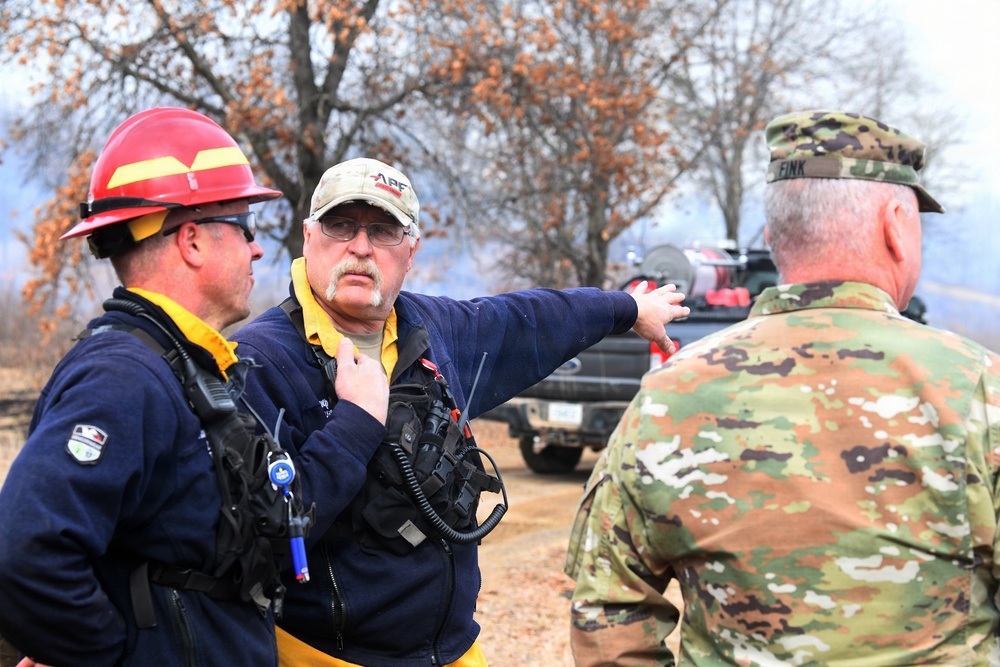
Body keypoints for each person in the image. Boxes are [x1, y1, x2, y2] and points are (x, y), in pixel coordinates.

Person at [564, 109, 1000, 665]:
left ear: (774, 236)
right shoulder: (978, 392)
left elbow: (607, 614)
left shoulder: (668, 398)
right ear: (895, 225)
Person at [230, 156, 691, 666]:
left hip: (453, 652)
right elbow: (260, 538)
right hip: (323, 656)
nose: (360, 247)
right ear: (309, 236)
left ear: (410, 252)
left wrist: (628, 309)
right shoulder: (259, 361)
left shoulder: (433, 330)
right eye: (341, 226)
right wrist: (355, 422)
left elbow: (531, 319)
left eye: (383, 231)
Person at [0, 108, 386, 667]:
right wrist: (109, 658)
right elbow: (24, 554)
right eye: (244, 226)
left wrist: (355, 422)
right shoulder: (122, 378)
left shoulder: (191, 370)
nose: (257, 248)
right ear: (193, 242)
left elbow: (266, 523)